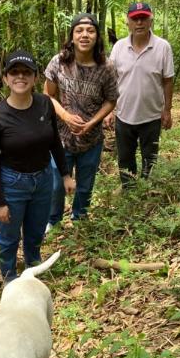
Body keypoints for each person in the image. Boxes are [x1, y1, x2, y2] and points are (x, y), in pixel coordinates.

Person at [0, 50, 74, 282]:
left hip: (43, 178)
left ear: (35, 77)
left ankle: (32, 271)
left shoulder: (45, 104)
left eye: (26, 72)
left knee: (35, 233)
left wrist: (65, 174)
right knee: (9, 237)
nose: (20, 77)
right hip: (13, 183)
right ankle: (10, 279)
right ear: (5, 78)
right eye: (14, 72)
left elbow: (55, 141)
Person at [44, 13, 118, 228]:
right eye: (79, 31)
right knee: (57, 184)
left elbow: (111, 100)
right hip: (60, 138)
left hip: (92, 139)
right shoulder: (59, 62)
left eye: (90, 30)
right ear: (72, 36)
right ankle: (53, 221)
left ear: (97, 36)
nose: (84, 35)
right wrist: (66, 116)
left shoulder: (107, 67)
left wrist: (93, 122)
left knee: (85, 184)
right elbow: (48, 95)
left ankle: (80, 219)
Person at [108, 1, 174, 184]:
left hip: (152, 116)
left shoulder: (162, 47)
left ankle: (146, 192)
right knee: (125, 159)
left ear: (151, 20)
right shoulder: (119, 47)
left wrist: (167, 110)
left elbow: (168, 81)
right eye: (135, 19)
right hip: (123, 115)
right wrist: (109, 111)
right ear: (127, 22)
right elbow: (111, 81)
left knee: (149, 159)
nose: (139, 23)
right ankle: (129, 192)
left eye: (143, 18)